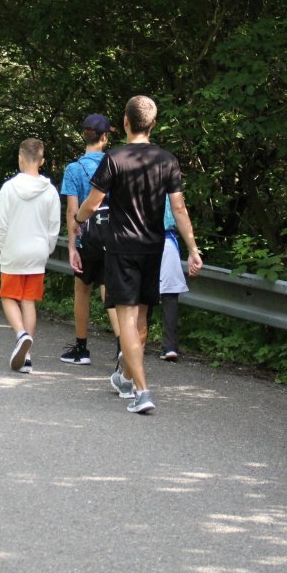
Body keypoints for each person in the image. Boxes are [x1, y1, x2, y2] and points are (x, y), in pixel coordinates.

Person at [75, 96, 204, 413]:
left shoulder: (114, 158)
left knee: (128, 320)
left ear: (125, 122)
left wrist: (78, 220)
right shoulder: (167, 159)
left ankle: (142, 392)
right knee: (142, 318)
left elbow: (93, 202)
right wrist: (192, 248)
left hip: (121, 247)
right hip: (153, 247)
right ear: (153, 124)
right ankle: (125, 376)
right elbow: (178, 208)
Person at [58, 114, 120, 366]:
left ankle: (81, 349)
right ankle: (123, 346)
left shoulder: (74, 169)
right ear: (104, 137)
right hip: (114, 238)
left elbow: (72, 210)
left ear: (85, 136)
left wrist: (72, 245)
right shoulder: (116, 165)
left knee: (82, 290)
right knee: (111, 292)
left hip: (87, 239)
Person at [0, 138, 61, 373]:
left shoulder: (9, 188)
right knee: (28, 300)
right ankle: (27, 357)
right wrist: (47, 248)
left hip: (14, 248)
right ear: (42, 161)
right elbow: (54, 226)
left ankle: (21, 334)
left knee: (8, 296)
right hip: (38, 251)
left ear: (20, 159)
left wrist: (0, 245)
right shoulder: (50, 191)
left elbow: (3, 222)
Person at [151, 196, 189, 361]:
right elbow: (179, 210)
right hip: (167, 241)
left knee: (143, 292)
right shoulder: (170, 186)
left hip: (143, 241)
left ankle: (137, 342)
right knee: (170, 295)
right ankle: (170, 346)